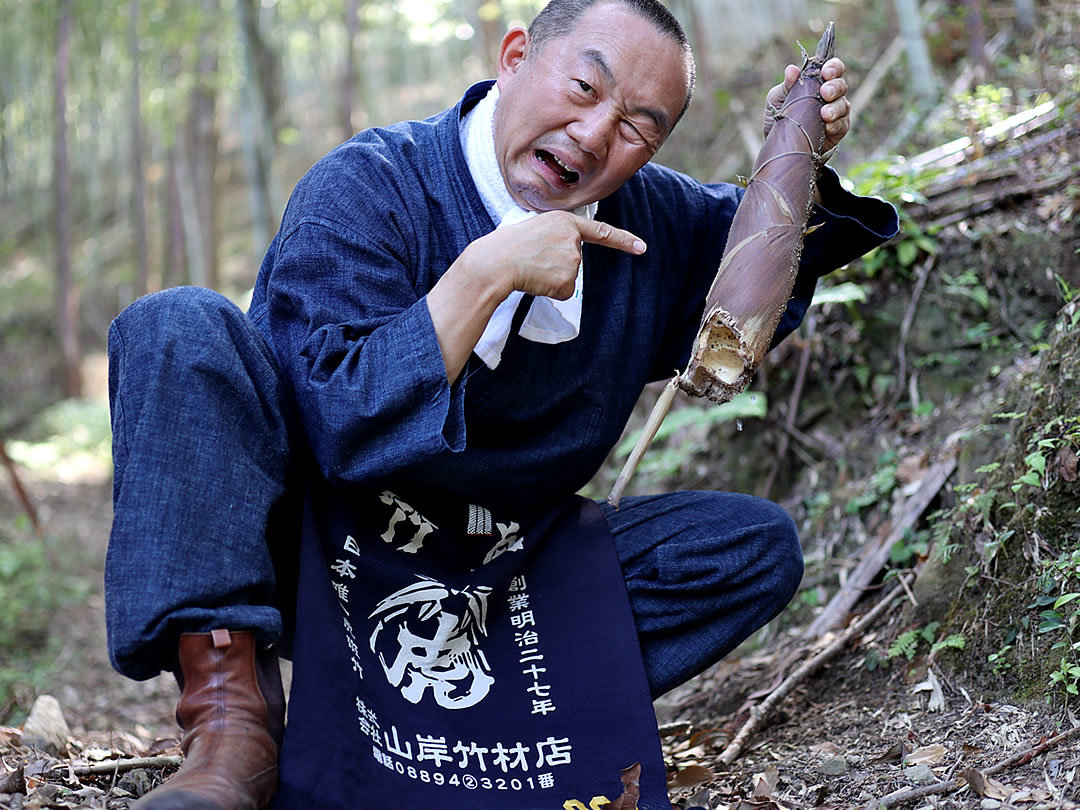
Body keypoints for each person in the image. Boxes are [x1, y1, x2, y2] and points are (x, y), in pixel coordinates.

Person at [105, 1, 898, 808]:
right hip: (320, 554)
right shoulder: (370, 184)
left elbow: (756, 260)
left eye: (637, 126)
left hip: (499, 583)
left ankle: (497, 716)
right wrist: (486, 275)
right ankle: (235, 729)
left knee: (749, 546)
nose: (593, 134)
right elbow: (339, 425)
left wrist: (794, 153)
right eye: (584, 87)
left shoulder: (651, 220)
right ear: (516, 55)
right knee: (175, 326)